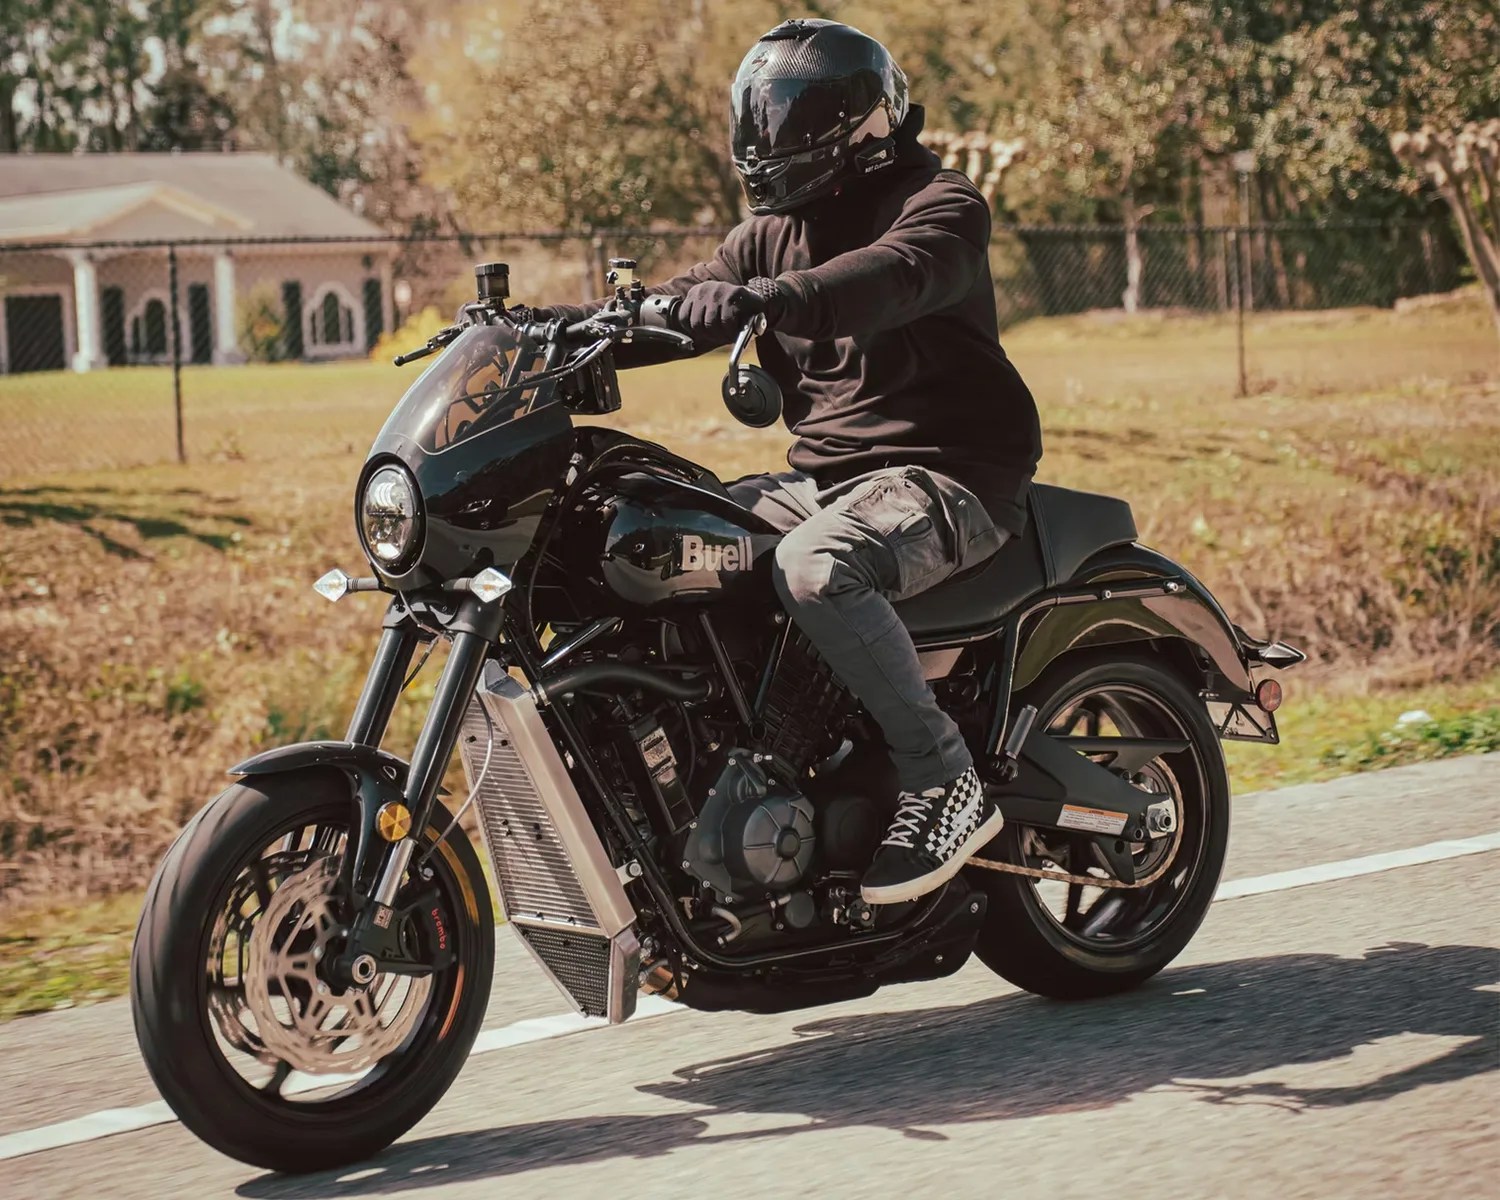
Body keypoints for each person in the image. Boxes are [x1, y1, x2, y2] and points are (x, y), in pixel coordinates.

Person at [538, 18, 1043, 906]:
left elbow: (891, 275)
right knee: (654, 538)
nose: (767, 136)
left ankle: (943, 780)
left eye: (787, 116)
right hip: (829, 480)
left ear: (854, 124)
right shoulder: (768, 233)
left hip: (950, 475)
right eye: (760, 115)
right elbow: (678, 302)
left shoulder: (941, 203)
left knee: (817, 568)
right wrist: (543, 332)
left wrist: (766, 301)